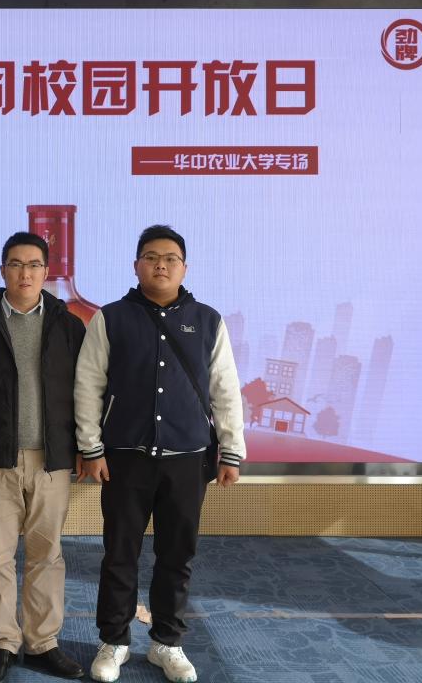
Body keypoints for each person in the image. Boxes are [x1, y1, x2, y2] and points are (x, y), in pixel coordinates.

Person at [74, 224, 246, 683]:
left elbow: (225, 388)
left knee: (176, 555)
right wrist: (91, 447)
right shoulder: (111, 318)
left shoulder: (208, 320)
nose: (161, 265)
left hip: (188, 458)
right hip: (124, 457)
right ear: (136, 266)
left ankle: (167, 642)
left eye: (170, 258)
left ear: (184, 267)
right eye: (151, 257)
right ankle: (114, 641)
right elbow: (88, 385)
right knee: (119, 553)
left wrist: (231, 451)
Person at [0, 231, 87, 683]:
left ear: (47, 271)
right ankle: (3, 642)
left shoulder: (69, 325)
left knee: (47, 554)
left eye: (34, 264)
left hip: (52, 460)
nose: (25, 273)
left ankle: (42, 643)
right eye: (16, 264)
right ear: (2, 270)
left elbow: (88, 392)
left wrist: (86, 448)